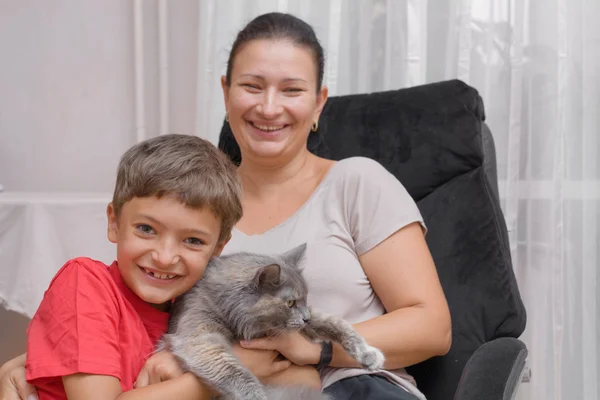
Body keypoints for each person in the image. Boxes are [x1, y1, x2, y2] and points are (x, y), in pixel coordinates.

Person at [1, 12, 451, 400]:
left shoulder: (357, 181)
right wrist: (47, 360)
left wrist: (305, 348)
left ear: (318, 103)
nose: (269, 107)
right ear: (226, 92)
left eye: (291, 90)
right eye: (252, 86)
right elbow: (140, 301)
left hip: (353, 387)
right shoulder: (201, 203)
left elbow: (433, 327)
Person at [7, 134, 310, 400]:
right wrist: (225, 374)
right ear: (114, 222)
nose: (165, 257)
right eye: (146, 229)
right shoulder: (84, 283)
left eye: (192, 240)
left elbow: (305, 377)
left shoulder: (201, 302)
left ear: (219, 247)